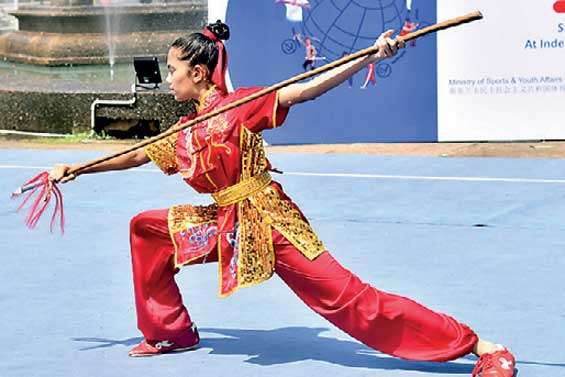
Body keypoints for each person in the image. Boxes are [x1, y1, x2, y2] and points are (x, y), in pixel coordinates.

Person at [49, 20, 516, 377]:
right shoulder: (187, 127)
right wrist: (76, 169)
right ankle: (170, 333)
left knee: (353, 301)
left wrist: (369, 55)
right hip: (225, 223)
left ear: (197, 71)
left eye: (173, 70)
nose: (168, 79)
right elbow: (135, 157)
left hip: (269, 220)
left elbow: (306, 89)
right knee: (148, 230)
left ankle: (480, 346)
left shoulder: (243, 103)